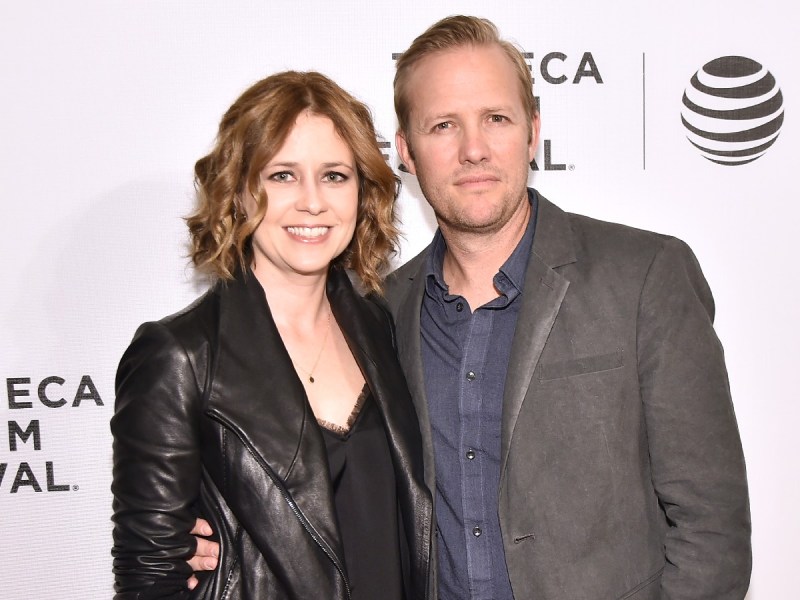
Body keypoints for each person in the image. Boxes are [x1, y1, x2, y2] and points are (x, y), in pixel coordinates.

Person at [190, 15, 752, 600]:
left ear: (533, 131)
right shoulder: (372, 315)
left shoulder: (643, 277)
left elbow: (712, 529)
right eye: (443, 126)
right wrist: (216, 537)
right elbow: (319, 486)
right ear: (406, 151)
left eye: (496, 119)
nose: (473, 149)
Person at [111, 70, 432, 599]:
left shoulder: (380, 325)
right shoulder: (181, 358)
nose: (312, 202)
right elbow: (150, 581)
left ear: (361, 191)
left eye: (334, 176)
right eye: (282, 175)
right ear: (239, 190)